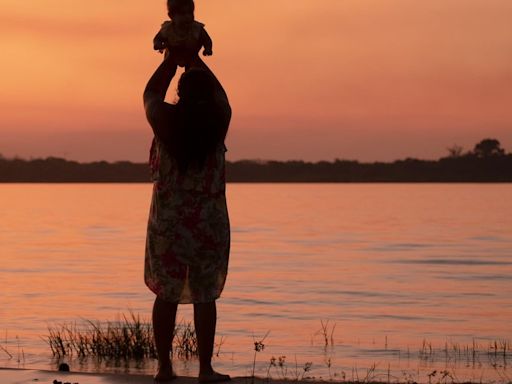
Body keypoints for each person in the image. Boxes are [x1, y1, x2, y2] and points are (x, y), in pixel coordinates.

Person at [143, 44, 231, 383]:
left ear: (179, 94)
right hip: (208, 223)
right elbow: (221, 95)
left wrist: (171, 61)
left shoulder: (165, 120)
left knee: (166, 294)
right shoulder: (219, 120)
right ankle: (205, 369)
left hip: (169, 224)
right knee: (205, 294)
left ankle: (165, 368)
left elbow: (150, 93)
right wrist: (193, 58)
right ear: (208, 96)